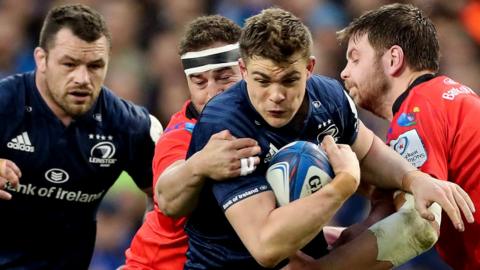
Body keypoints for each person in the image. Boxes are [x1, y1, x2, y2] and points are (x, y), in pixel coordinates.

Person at [176, 7, 474, 270]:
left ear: (309, 69)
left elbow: (371, 155)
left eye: (289, 80)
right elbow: (266, 248)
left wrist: (412, 179)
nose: (276, 95)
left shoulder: (330, 97)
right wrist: (343, 185)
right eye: (263, 81)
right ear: (243, 70)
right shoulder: (224, 124)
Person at [0, 4, 162, 269]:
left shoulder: (128, 125)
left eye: (95, 65)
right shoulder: (5, 104)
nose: (83, 78)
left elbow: (171, 196)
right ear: (41, 59)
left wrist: (146, 259)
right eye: (69, 64)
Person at [338, 3, 480, 269]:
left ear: (393, 59)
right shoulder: (445, 98)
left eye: (355, 59)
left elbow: (418, 223)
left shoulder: (415, 111)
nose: (344, 72)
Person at [123, 15, 261, 269]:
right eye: (199, 82)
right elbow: (166, 196)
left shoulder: (269, 121)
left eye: (224, 78)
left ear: (246, 71)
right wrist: (198, 165)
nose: (211, 93)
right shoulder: (179, 137)